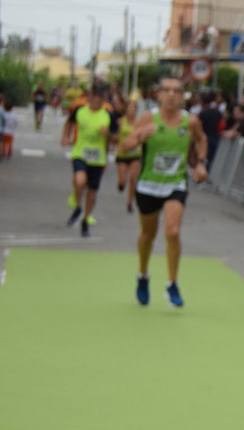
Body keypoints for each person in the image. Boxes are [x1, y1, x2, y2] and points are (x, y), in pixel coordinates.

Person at [122, 75, 208, 308]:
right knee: (148, 235)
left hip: (175, 184)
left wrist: (200, 163)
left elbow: (202, 140)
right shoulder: (148, 118)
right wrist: (140, 136)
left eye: (177, 91)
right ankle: (142, 276)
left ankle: (172, 283)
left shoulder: (190, 122)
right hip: (148, 185)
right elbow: (125, 146)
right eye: (167, 90)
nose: (172, 95)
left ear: (183, 97)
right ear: (158, 94)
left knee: (172, 231)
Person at [62, 84, 113, 238]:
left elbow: (114, 138)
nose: (95, 101)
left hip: (98, 158)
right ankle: (78, 206)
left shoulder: (107, 115)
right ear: (89, 98)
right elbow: (69, 123)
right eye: (93, 98)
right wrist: (65, 136)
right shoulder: (80, 111)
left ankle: (85, 219)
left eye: (99, 99)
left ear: (102, 101)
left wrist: (107, 135)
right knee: (79, 181)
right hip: (80, 153)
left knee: (92, 193)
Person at [114, 94, 142, 214]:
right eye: (129, 108)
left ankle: (130, 201)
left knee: (133, 179)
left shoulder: (140, 122)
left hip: (135, 154)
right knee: (122, 181)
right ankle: (121, 184)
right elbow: (115, 136)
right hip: (122, 154)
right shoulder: (120, 122)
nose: (131, 110)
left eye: (134, 108)